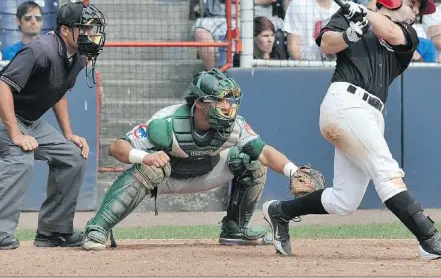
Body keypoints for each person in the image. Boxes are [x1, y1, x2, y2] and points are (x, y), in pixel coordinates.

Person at [261, 0, 441, 260]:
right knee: (387, 173)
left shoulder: (408, 35)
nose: (415, 12)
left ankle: (279, 212)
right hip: (345, 103)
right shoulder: (349, 15)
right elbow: (327, 44)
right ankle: (430, 240)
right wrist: (349, 34)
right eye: (412, 3)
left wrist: (365, 14)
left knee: (344, 200)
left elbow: (392, 32)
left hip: (371, 114)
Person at [82, 69, 312, 251]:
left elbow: (265, 152)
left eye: (230, 101)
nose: (228, 107)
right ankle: (98, 228)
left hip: (207, 172)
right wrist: (146, 157)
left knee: (254, 160)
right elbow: (116, 148)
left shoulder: (235, 125)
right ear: (200, 102)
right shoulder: (167, 121)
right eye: (220, 100)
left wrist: (294, 172)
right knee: (149, 168)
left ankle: (235, 230)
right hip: (165, 176)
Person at [0, 1, 107, 250]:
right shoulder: (41, 50)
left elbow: (58, 92)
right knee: (20, 156)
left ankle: (54, 231)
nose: (91, 35)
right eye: (84, 28)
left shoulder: (79, 56)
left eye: (93, 29)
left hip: (28, 119)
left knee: (73, 156)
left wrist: (68, 134)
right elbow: (1, 87)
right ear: (64, 31)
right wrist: (16, 135)